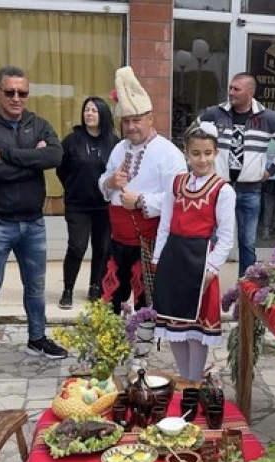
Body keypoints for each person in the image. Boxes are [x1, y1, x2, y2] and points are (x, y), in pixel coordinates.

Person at [0, 65, 66, 379]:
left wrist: (6, 154)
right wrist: (32, 160)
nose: (17, 98)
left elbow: (55, 156)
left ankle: (37, 338)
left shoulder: (38, 123)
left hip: (33, 222)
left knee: (36, 288)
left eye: (23, 92)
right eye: (10, 92)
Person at [99, 66, 186, 315]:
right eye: (126, 121)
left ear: (150, 119)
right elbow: (102, 183)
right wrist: (110, 183)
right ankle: (110, 336)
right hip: (117, 240)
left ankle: (145, 336)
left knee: (146, 300)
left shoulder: (169, 153)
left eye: (136, 120)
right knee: (110, 297)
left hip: (148, 242)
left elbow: (179, 197)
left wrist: (141, 201)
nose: (131, 127)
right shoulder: (119, 149)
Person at [152, 122, 235, 383]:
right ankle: (185, 378)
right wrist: (157, 260)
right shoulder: (176, 184)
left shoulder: (223, 190)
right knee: (173, 321)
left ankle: (194, 380)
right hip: (173, 257)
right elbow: (165, 225)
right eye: (196, 153)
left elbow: (226, 237)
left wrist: (211, 269)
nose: (202, 159)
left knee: (197, 326)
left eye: (208, 153)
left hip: (200, 260)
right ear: (186, 153)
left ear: (216, 153)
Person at [193, 73, 275, 276]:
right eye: (230, 88)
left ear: (250, 92)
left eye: (236, 89)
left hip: (250, 190)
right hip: (218, 188)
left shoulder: (268, 118)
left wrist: (271, 170)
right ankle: (204, 284)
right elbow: (191, 135)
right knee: (211, 239)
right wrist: (199, 166)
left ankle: (245, 287)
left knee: (247, 243)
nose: (231, 92)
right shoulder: (215, 113)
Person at [56, 96, 119, 309]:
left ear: (103, 114)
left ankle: (95, 287)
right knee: (77, 246)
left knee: (102, 247)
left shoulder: (114, 143)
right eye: (86, 110)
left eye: (94, 110)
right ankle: (68, 289)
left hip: (104, 205)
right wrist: (72, 186)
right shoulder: (72, 140)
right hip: (78, 205)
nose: (89, 114)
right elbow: (61, 168)